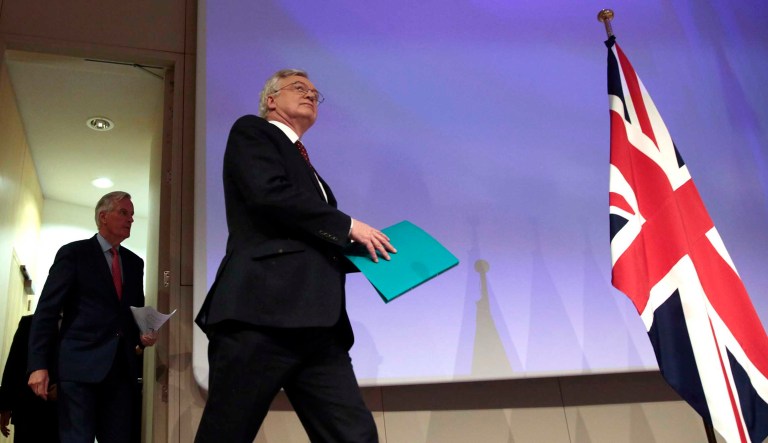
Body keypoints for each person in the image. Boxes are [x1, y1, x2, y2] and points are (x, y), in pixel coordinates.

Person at [194, 69, 396, 443]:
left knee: (356, 436)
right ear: (272, 99)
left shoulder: (310, 170)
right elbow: (269, 195)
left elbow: (310, 237)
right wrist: (349, 225)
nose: (310, 96)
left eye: (316, 94)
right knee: (226, 435)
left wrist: (374, 250)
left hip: (319, 329)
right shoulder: (252, 131)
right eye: (299, 88)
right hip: (260, 318)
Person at [27, 191, 157, 443]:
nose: (130, 219)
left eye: (132, 215)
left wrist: (143, 335)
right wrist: (38, 365)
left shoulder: (134, 263)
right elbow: (47, 310)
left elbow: (133, 312)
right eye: (123, 212)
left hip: (120, 372)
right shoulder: (74, 254)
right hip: (78, 367)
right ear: (103, 216)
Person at [0, 315, 59, 442]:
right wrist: (5, 404)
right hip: (28, 409)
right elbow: (14, 363)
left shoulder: (79, 326)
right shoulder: (29, 322)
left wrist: (66, 387)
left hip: (63, 413)